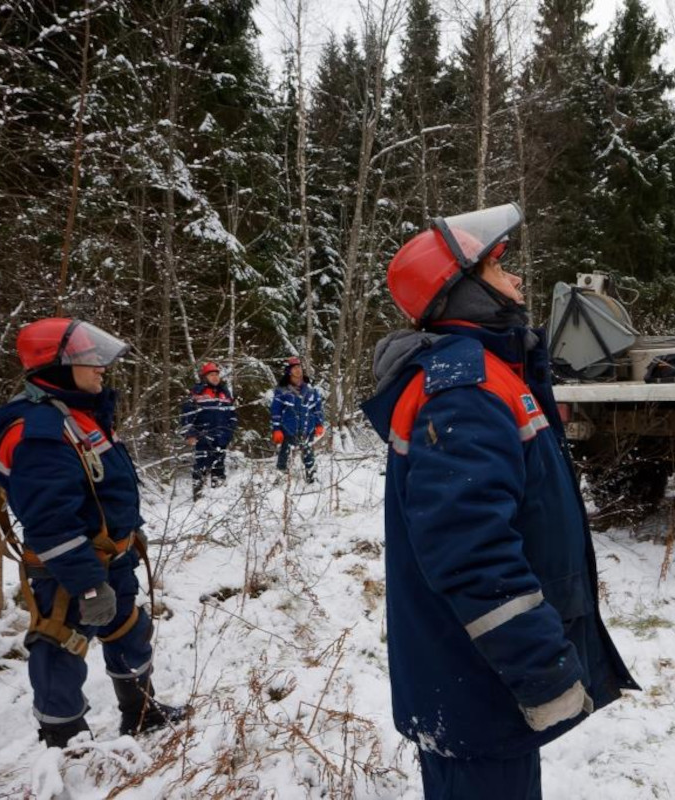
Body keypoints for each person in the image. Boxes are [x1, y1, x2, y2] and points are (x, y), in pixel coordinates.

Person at [361, 203, 638, 799]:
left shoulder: (486, 373)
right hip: (478, 685)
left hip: (479, 680)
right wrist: (542, 674)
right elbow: (472, 552)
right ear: (461, 291)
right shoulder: (466, 389)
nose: (515, 281)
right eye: (496, 269)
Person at [0, 318, 187, 748]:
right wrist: (89, 584)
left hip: (114, 558)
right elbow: (51, 523)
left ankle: (140, 712)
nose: (101, 369)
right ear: (56, 367)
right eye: (89, 360)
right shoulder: (41, 432)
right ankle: (65, 742)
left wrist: (129, 538)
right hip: (72, 571)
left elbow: (100, 490)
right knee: (61, 646)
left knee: (129, 628)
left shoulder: (78, 417)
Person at [181, 361, 237, 500]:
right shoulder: (197, 392)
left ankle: (217, 498)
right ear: (205, 377)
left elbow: (233, 414)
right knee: (201, 467)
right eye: (211, 375)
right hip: (203, 436)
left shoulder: (225, 393)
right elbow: (187, 416)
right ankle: (198, 496)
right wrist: (190, 434)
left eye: (216, 374)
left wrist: (230, 431)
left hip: (222, 437)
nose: (215, 377)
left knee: (219, 467)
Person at [269, 356, 324, 483]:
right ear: (289, 371)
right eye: (294, 368)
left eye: (299, 367)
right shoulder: (282, 390)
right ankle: (281, 477)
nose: (298, 370)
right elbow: (275, 411)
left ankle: (311, 477)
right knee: (284, 453)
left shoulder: (311, 389)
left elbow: (317, 408)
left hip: (307, 427)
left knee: (308, 453)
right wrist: (276, 429)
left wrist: (319, 423)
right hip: (289, 428)